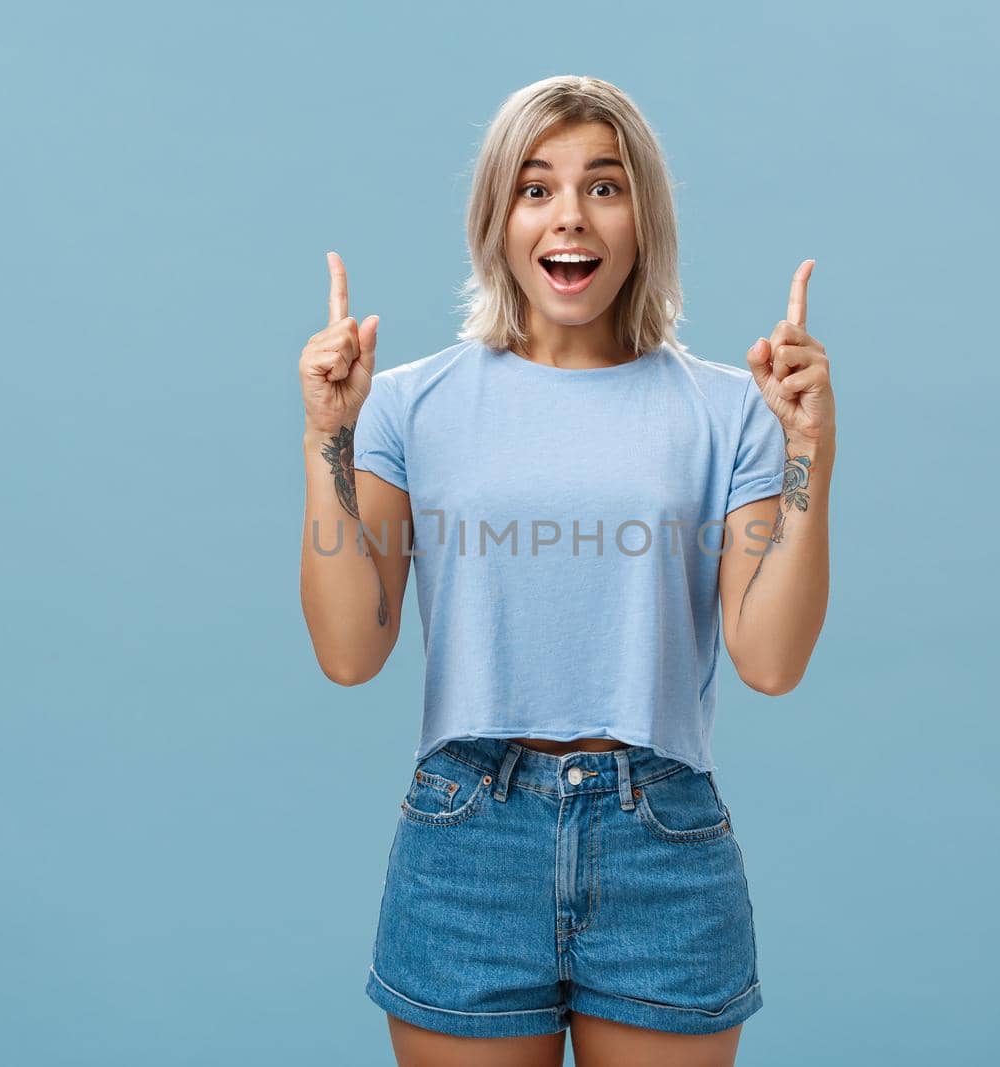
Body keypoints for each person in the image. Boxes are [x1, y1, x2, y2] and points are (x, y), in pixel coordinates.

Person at [298, 74, 835, 1067]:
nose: (569, 217)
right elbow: (347, 649)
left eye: (604, 184)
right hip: (466, 838)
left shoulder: (728, 412)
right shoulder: (408, 404)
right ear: (495, 217)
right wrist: (327, 435)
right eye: (535, 187)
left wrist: (808, 454)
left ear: (643, 216)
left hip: (661, 840)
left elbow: (769, 659)